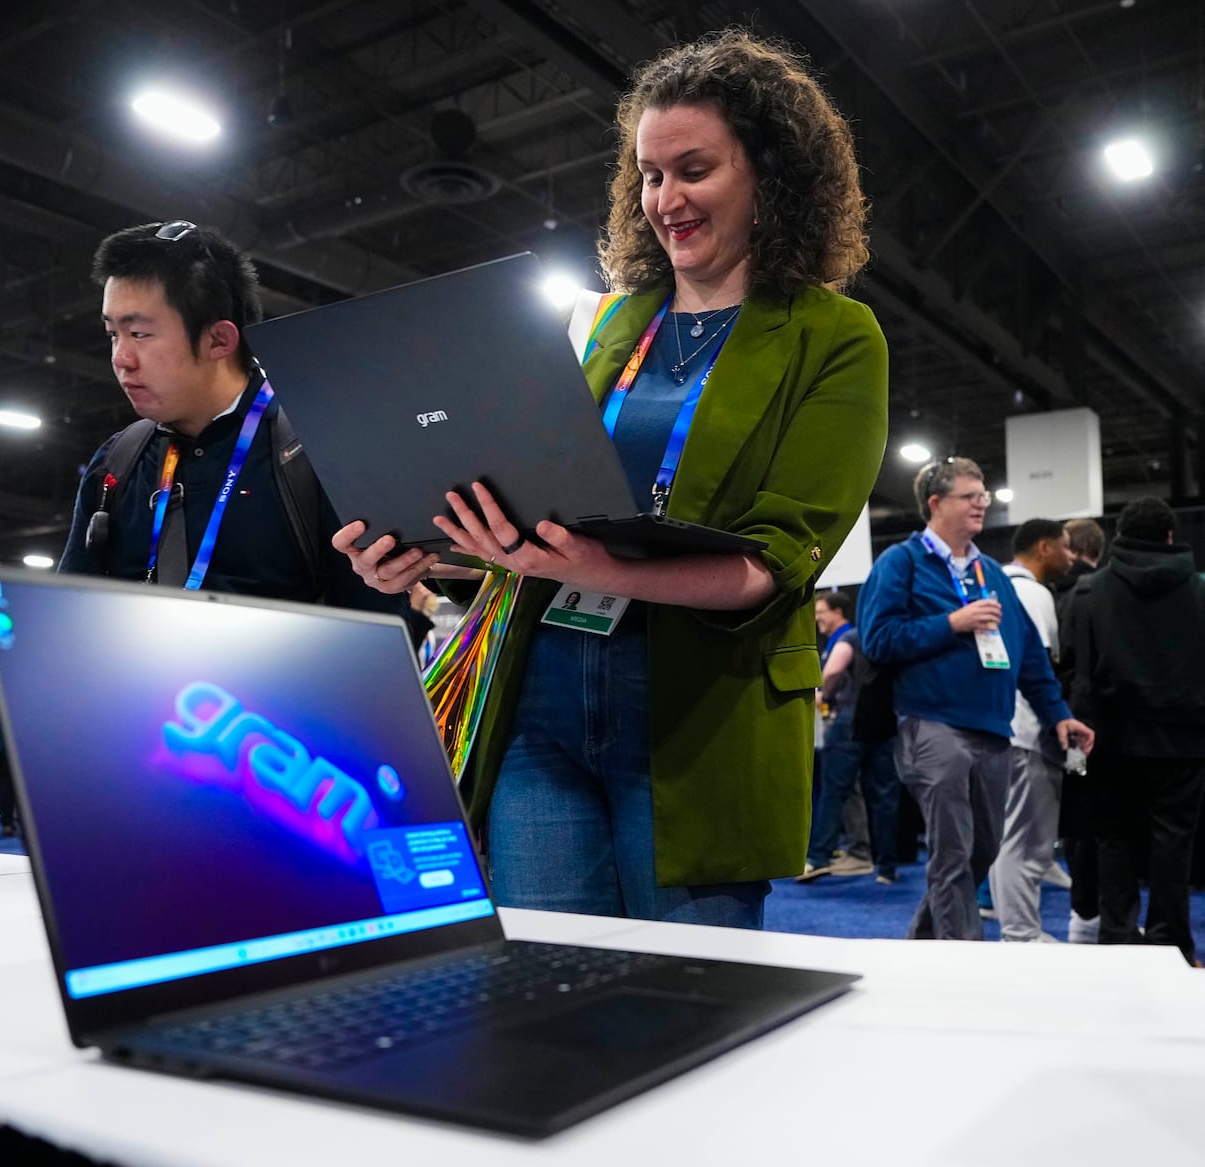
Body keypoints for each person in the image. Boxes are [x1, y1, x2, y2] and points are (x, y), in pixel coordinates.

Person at [336, 30, 889, 926]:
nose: (665, 199)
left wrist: (592, 568)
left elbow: (773, 563)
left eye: (693, 169)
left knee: (689, 1007)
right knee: (551, 991)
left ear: (770, 172)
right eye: (649, 174)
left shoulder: (835, 336)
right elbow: (540, 530)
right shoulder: (605, 325)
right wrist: (427, 553)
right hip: (542, 698)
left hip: (698, 713)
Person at [58, 221, 401, 617]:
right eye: (112, 334)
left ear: (219, 339)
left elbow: (377, 629)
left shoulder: (315, 451)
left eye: (138, 333)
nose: (120, 358)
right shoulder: (115, 463)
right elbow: (72, 614)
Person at [858, 459, 1094, 941]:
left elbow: (1029, 656)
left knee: (981, 850)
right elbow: (878, 640)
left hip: (993, 728)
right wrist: (952, 623)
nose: (981, 504)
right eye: (970, 496)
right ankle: (964, 962)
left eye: (983, 495)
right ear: (936, 504)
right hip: (931, 723)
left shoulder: (993, 573)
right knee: (953, 852)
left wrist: (1059, 715)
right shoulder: (901, 564)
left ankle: (924, 945)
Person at [1065, 497, 1205, 965]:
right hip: (1185, 739)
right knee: (1174, 842)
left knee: (1113, 839)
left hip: (1108, 739)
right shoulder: (1200, 590)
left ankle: (1119, 939)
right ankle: (1172, 944)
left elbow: (1073, 670)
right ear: (1170, 536)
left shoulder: (1087, 591)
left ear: (1120, 535)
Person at [991, 517, 1074, 941]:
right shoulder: (1033, 593)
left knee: (1011, 838)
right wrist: (1056, 719)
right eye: (1067, 546)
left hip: (1001, 728)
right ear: (1044, 548)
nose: (1072, 556)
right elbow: (1038, 669)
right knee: (1025, 842)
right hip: (1028, 730)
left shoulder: (999, 584)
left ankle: (1019, 930)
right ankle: (1021, 933)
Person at [797, 591, 899, 884]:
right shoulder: (884, 640)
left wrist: (823, 695)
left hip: (849, 724)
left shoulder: (848, 639)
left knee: (833, 791)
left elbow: (832, 671)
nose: (817, 619)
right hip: (885, 726)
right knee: (884, 797)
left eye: (821, 612)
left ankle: (817, 857)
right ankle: (887, 867)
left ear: (840, 612)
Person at [1053, 516, 1105, 941]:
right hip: (1097, 726)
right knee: (1099, 822)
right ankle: (1096, 915)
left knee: (1077, 817)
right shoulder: (1100, 592)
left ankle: (1083, 915)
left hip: (1063, 722)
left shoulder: (1055, 592)